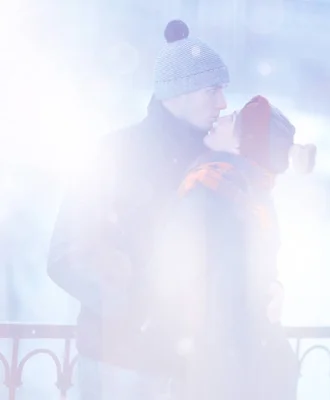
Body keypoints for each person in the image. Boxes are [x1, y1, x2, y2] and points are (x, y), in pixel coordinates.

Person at [46, 19, 229, 399]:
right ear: (178, 93)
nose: (223, 103)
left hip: (193, 372)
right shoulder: (113, 153)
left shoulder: (214, 164)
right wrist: (138, 315)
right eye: (213, 90)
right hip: (119, 368)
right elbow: (65, 255)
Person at [148, 95, 316, 400]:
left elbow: (183, 278)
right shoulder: (253, 195)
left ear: (242, 146)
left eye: (234, 119)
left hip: (215, 372)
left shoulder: (213, 193)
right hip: (246, 366)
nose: (221, 118)